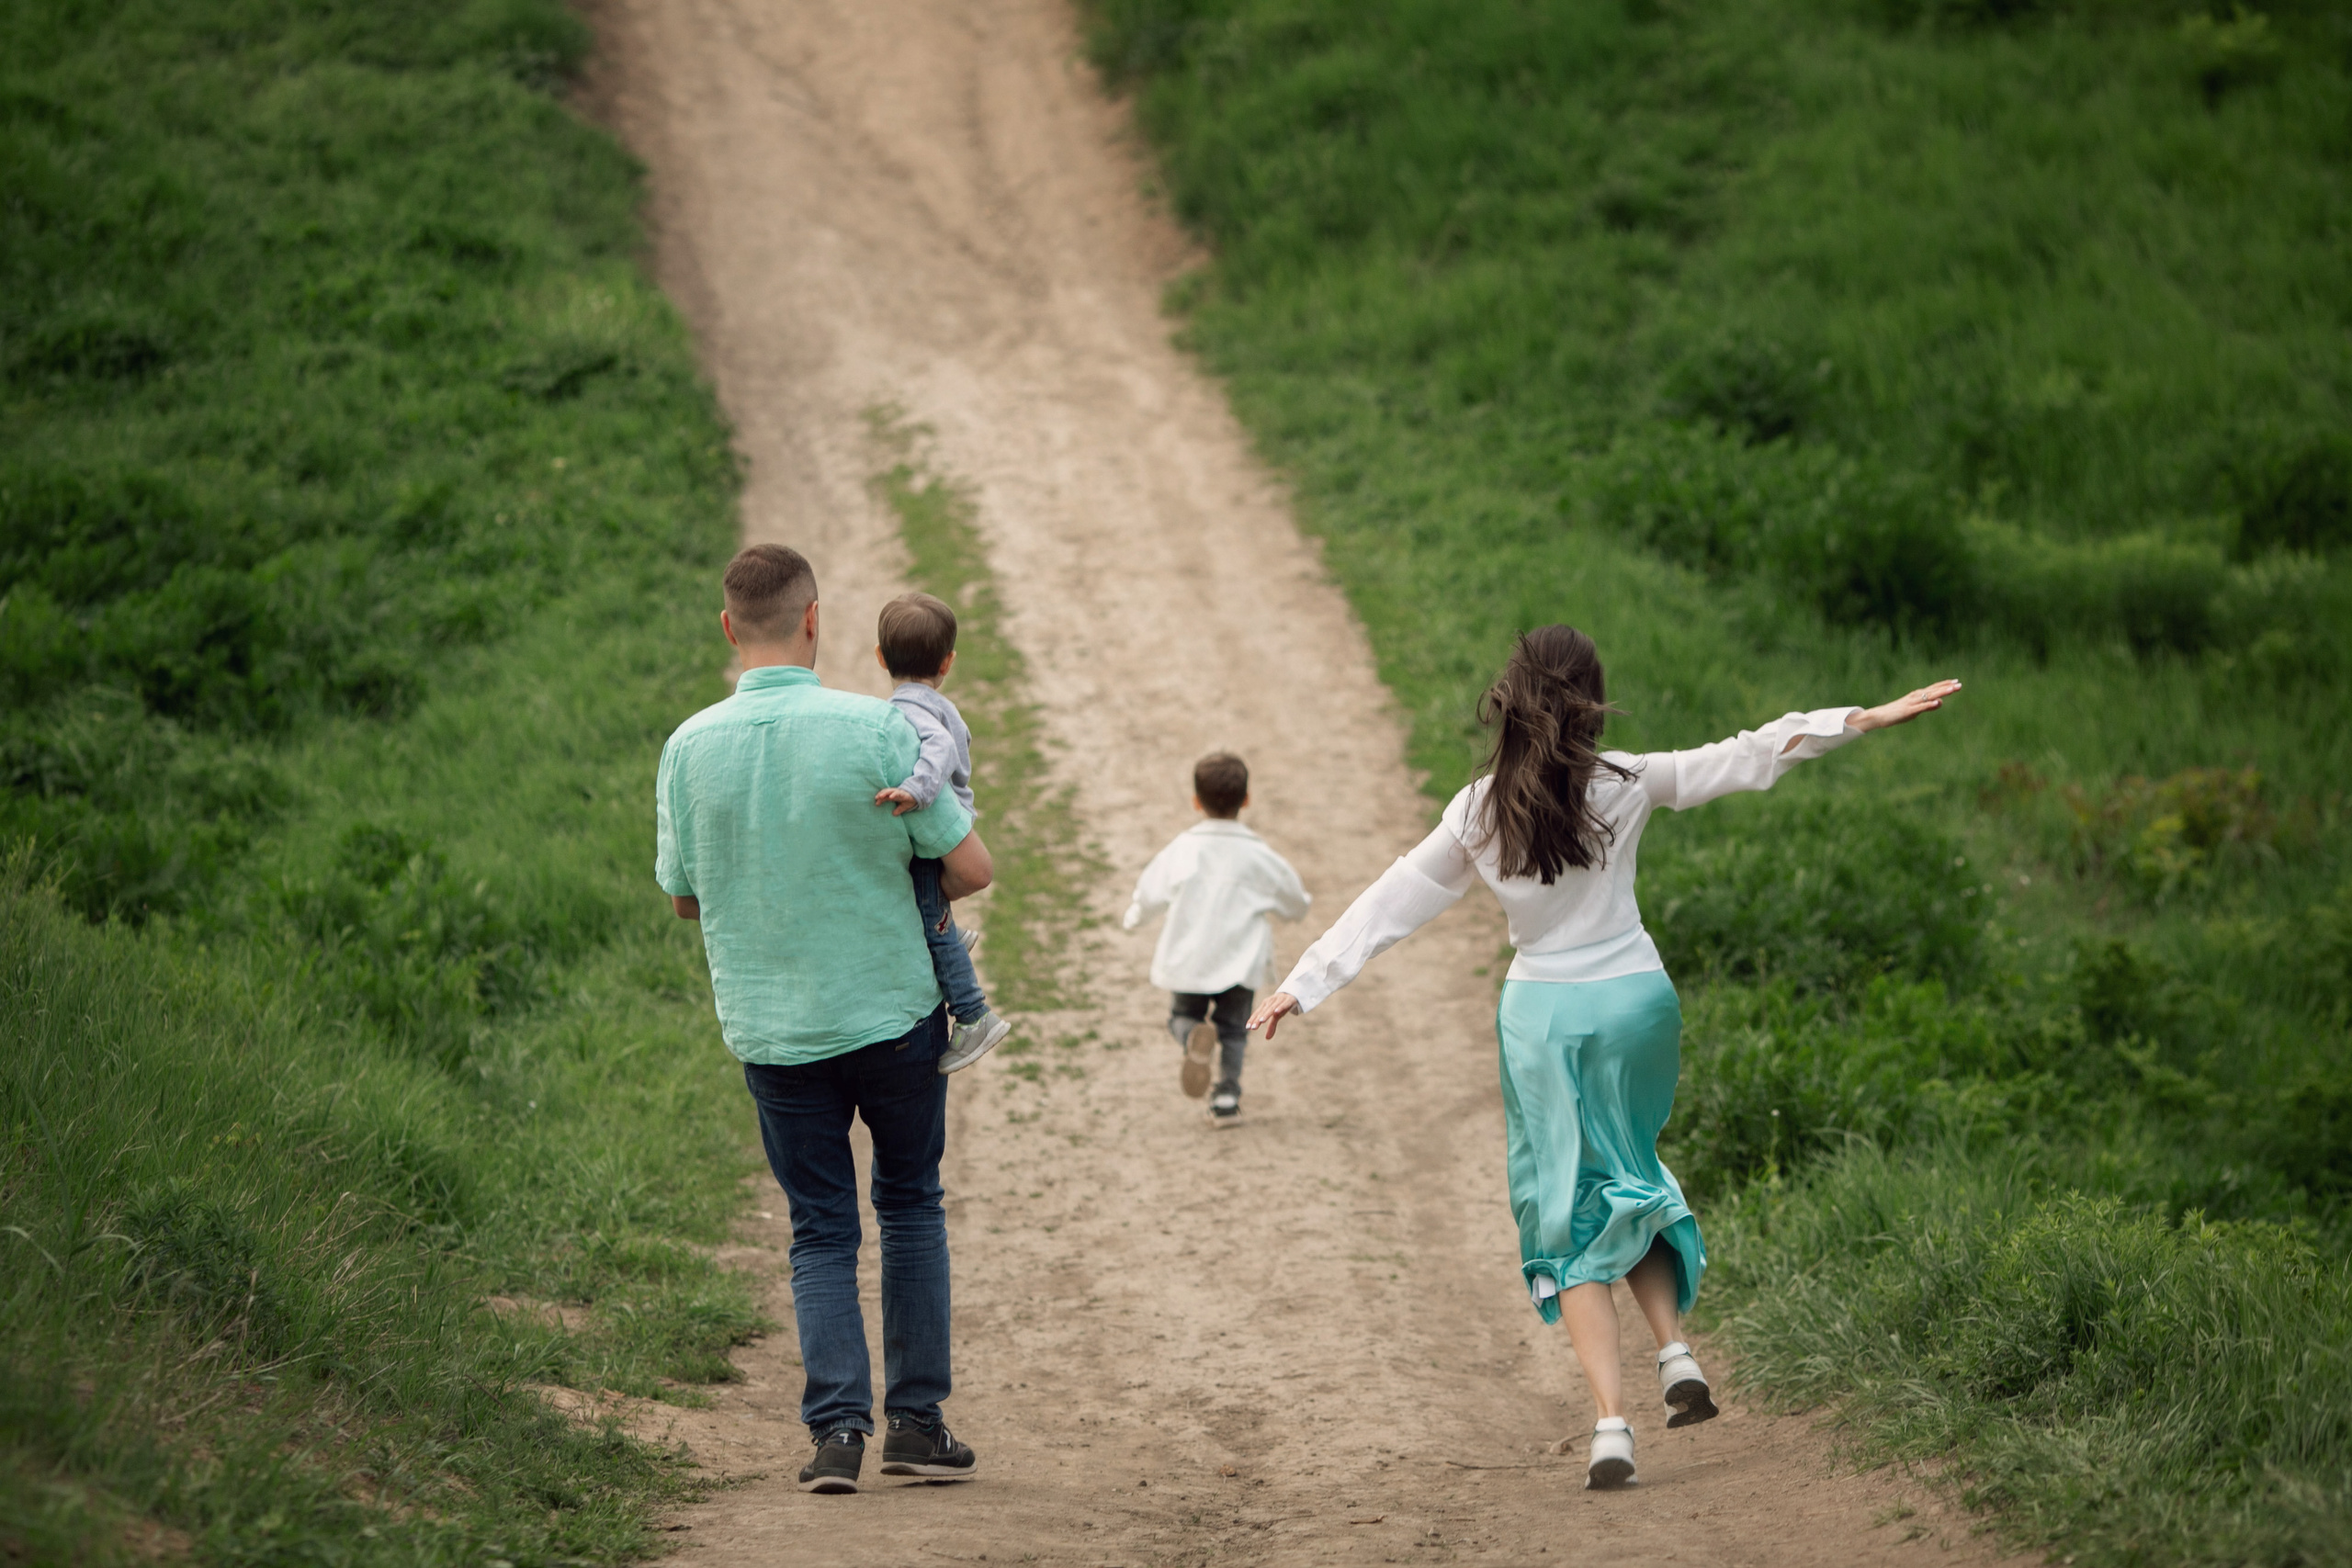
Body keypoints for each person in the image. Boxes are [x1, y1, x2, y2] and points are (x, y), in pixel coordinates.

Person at [1248, 625, 1959, 1489]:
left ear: (1511, 697)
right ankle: (1676, 1351)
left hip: (1544, 1014)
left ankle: (1610, 1425)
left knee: (1566, 1203)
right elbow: (1752, 753)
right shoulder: (1628, 780)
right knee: (1632, 1168)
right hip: (1636, 1000)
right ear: (1589, 696)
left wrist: (1303, 981)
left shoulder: (1476, 810)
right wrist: (1864, 716)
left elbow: (1390, 903)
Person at [655, 544, 993, 1495]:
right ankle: (916, 1425)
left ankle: (835, 1433)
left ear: (730, 629)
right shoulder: (875, 731)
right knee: (911, 1205)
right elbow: (967, 870)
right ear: (815, 620)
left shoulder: (687, 748)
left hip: (773, 1031)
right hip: (891, 1016)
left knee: (818, 1230)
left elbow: (682, 897)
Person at [1124, 751, 1311, 1124]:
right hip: (1240, 962)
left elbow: (1149, 893)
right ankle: (1226, 1099)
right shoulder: (1259, 856)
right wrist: (1296, 910)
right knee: (1235, 1031)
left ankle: (1193, 1035)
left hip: (1191, 959)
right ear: (1247, 799)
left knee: (1181, 1015)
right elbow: (1294, 899)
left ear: (1196, 802)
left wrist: (1134, 917)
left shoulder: (1182, 849)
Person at [869, 591, 1012, 1075]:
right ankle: (952, 932)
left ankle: (973, 1015)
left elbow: (940, 746)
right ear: (948, 662)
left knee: (930, 921)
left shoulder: (909, 711)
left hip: (940, 817)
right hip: (957, 812)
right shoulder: (936, 700)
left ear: (880, 657)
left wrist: (916, 788)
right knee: (929, 905)